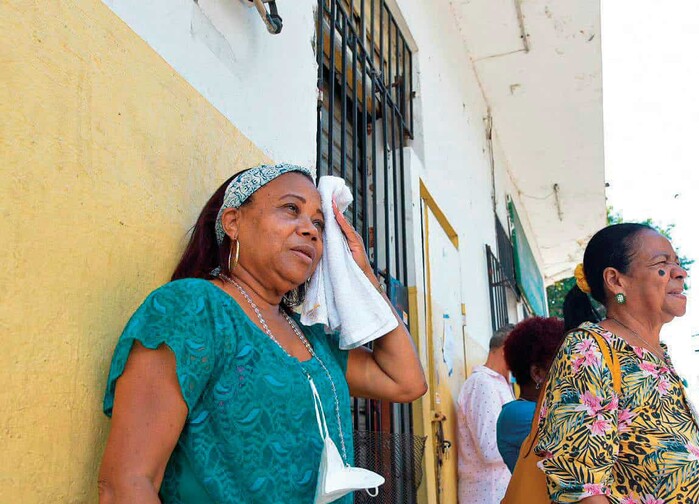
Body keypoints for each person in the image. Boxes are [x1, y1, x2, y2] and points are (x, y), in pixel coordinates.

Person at [97, 164, 427, 503]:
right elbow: (127, 484)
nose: (311, 231)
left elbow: (406, 381)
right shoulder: (192, 310)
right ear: (233, 222)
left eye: (318, 223)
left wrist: (365, 279)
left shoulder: (308, 337)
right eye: (291, 209)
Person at [534, 223, 699, 503]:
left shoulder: (657, 354)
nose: (680, 272)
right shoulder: (589, 350)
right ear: (616, 281)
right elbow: (581, 489)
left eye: (677, 262)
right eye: (662, 263)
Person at [496, 316, 566, 471]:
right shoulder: (518, 414)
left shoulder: (544, 409)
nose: (570, 373)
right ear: (538, 373)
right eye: (563, 366)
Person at [457, 325, 516, 503]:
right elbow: (490, 450)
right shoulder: (482, 384)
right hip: (487, 494)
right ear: (507, 348)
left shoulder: (502, 384)